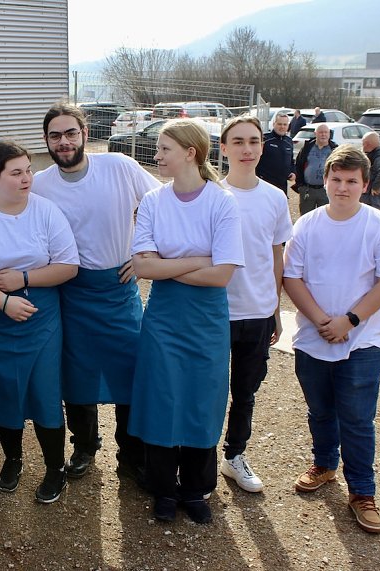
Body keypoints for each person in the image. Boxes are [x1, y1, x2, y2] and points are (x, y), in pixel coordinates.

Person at [32, 102, 158, 483]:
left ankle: (130, 452)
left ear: (85, 134)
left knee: (129, 372)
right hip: (70, 292)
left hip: (118, 290)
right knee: (77, 376)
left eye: (71, 133)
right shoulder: (39, 183)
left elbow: (161, 206)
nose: (64, 141)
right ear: (47, 141)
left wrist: (143, 256)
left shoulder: (118, 166)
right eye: (56, 135)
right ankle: (85, 445)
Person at [283, 145, 380, 534]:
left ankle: (363, 493)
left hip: (363, 340)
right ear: (325, 179)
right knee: (320, 410)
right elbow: (292, 278)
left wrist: (349, 321)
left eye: (352, 181)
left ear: (365, 185)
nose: (343, 187)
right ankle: (324, 464)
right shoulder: (306, 225)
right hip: (313, 336)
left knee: (356, 418)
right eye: (336, 179)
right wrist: (322, 321)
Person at [129, 119, 244, 524]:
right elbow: (142, 265)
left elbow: (223, 274)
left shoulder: (221, 202)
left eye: (163, 149)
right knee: (162, 399)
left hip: (207, 318)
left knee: (201, 399)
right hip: (164, 317)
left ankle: (195, 489)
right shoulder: (155, 202)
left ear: (190, 153)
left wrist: (167, 265)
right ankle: (163, 488)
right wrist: (198, 259)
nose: (156, 156)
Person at [0, 141, 79, 504]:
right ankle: (13, 460)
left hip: (40, 316)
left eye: (28, 169)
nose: (27, 178)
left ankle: (54, 468)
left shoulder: (47, 212)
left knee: (44, 392)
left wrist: (24, 280)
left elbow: (68, 266)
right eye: (17, 172)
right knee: (2, 390)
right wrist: (3, 302)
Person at [217, 116, 293, 494]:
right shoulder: (212, 193)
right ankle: (197, 456)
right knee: (210, 390)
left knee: (245, 391)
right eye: (238, 142)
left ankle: (234, 456)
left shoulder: (275, 197)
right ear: (224, 148)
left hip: (258, 313)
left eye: (254, 141)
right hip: (217, 313)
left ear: (262, 147)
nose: (247, 149)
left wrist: (275, 308)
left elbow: (276, 254)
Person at [293, 123, 337, 215]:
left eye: (326, 132)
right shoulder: (307, 147)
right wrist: (300, 185)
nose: (323, 134)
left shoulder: (334, 149)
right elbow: (298, 165)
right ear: (315, 134)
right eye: (321, 132)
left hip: (325, 191)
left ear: (329, 134)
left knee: (325, 217)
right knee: (306, 218)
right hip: (307, 190)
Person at [256, 112, 296, 196]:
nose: (282, 127)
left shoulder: (289, 141)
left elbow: (291, 161)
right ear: (274, 124)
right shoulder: (264, 139)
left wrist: (293, 172)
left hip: (282, 186)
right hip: (265, 184)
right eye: (279, 124)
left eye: (285, 124)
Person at [361, 131, 380, 209]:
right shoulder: (373, 154)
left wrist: (376, 187)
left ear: (367, 143)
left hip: (371, 198)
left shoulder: (378, 157)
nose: (362, 145)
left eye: (363, 143)